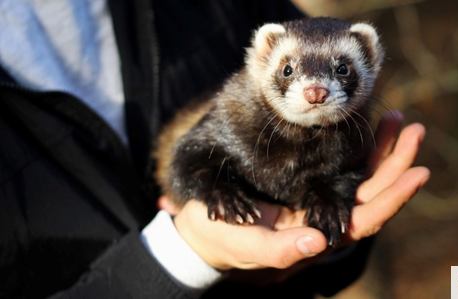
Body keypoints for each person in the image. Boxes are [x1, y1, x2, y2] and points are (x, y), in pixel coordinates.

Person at [0, 0, 429, 298]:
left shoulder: (353, 130)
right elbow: (190, 166)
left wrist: (332, 240)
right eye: (289, 70)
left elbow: (343, 227)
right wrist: (184, 255)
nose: (315, 88)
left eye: (340, 69)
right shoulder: (237, 120)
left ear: (370, 62)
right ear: (261, 62)